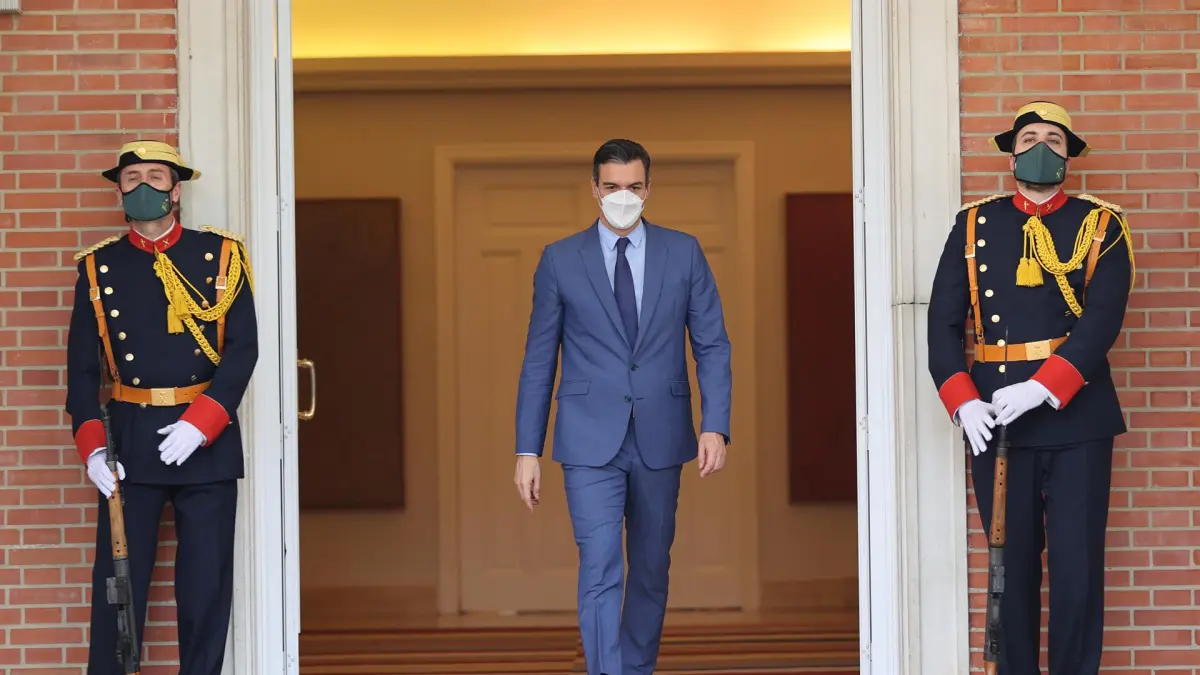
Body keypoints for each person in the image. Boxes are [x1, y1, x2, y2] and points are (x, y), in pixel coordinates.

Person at [927, 102, 1135, 675]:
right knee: (1009, 567)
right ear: (1011, 153)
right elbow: (943, 320)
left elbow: (1102, 319)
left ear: (1069, 155)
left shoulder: (1101, 224)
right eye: (1028, 138)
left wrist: (1044, 388)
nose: (1040, 148)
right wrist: (961, 400)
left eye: (1054, 140)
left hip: (1076, 416)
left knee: (1076, 569)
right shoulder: (973, 224)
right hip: (995, 418)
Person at [512, 139, 732, 675]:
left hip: (662, 433)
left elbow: (712, 344)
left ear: (649, 188)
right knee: (600, 564)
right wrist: (527, 449)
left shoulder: (684, 252)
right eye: (611, 186)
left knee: (651, 570)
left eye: (633, 186)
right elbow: (539, 358)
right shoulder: (560, 259)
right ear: (594, 188)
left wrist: (716, 425)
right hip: (588, 440)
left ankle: (635, 669)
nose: (622, 196)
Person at [65, 140, 258, 675]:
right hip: (129, 441)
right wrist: (92, 448)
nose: (143, 186)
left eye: (155, 176)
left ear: (176, 190)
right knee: (118, 588)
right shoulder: (98, 267)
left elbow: (243, 349)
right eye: (131, 179)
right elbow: (82, 371)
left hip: (205, 441)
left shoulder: (221, 255)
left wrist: (203, 423)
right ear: (119, 191)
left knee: (205, 589)